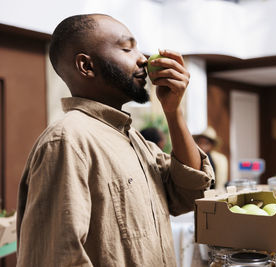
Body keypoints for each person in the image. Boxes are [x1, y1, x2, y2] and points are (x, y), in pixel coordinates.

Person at [16, 14, 214, 267]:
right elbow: (55, 259)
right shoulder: (68, 140)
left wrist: (173, 112)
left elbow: (187, 192)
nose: (143, 58)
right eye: (127, 48)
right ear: (86, 66)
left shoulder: (132, 138)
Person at [194, 126, 228, 191]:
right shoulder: (195, 157)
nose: (202, 146)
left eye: (206, 143)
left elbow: (220, 183)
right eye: (200, 142)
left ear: (211, 145)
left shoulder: (220, 160)